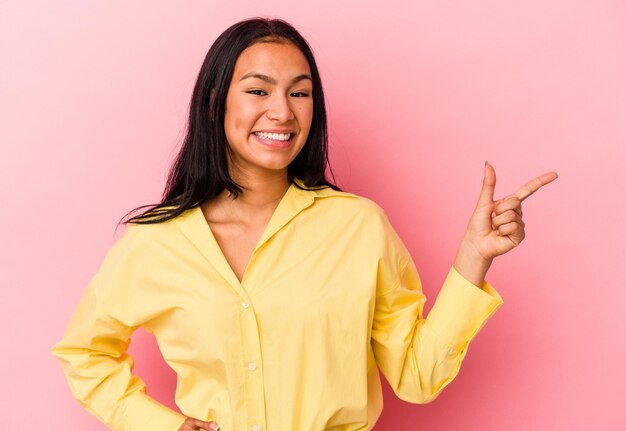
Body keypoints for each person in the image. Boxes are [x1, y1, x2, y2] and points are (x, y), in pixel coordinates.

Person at [51, 17, 557, 431]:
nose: (282, 112)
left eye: (300, 93)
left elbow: (416, 377)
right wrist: (163, 427)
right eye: (258, 90)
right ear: (214, 103)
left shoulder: (358, 227)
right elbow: (84, 353)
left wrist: (474, 256)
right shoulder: (156, 243)